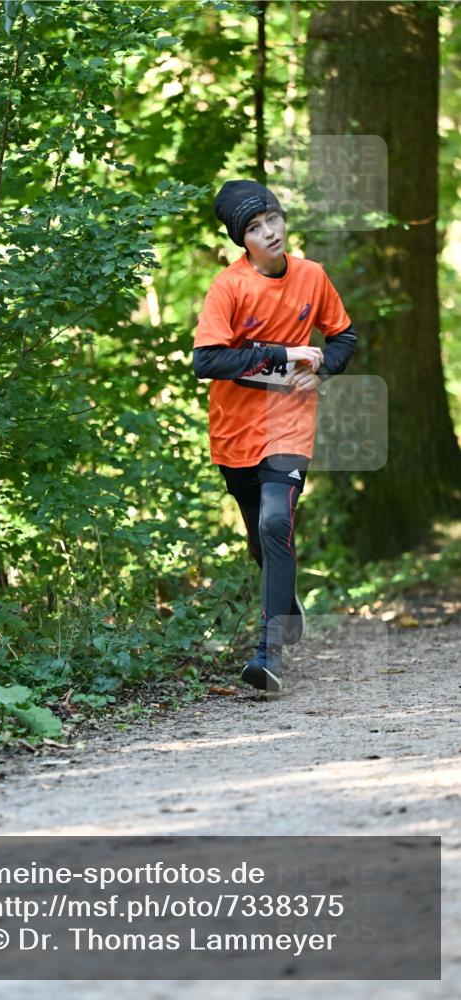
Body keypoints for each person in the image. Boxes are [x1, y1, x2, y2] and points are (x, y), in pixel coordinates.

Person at [192, 179, 357, 692]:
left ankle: (268, 654)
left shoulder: (312, 276)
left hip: (289, 419)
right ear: (242, 240)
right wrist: (285, 354)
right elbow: (207, 360)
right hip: (235, 428)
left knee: (276, 520)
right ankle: (283, 599)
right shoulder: (229, 287)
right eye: (255, 228)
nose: (269, 232)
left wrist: (324, 365)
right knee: (260, 535)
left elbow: (344, 335)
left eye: (273, 220)